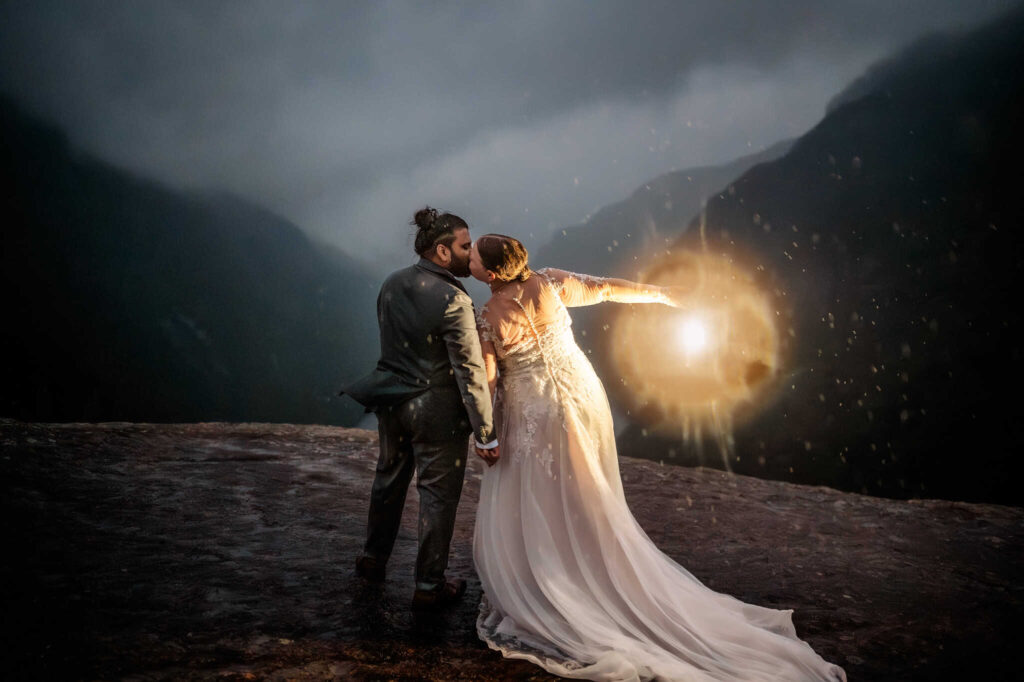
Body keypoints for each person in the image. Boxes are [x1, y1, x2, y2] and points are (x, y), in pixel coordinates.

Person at [468, 234, 846, 681]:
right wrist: (664, 295)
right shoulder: (550, 284)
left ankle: (555, 574)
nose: (467, 257)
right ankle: (593, 558)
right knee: (585, 486)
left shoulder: (488, 317)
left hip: (536, 408)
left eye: (471, 255)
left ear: (490, 274)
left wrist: (485, 435)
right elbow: (605, 287)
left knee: (541, 491)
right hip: (580, 394)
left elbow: (488, 382)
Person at [341, 207, 499, 611]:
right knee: (437, 498)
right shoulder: (453, 299)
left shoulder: (392, 283)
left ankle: (372, 560)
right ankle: (429, 586)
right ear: (442, 252)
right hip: (436, 414)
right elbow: (469, 371)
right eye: (464, 246)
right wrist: (486, 432)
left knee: (388, 482)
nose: (470, 253)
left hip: (392, 402)